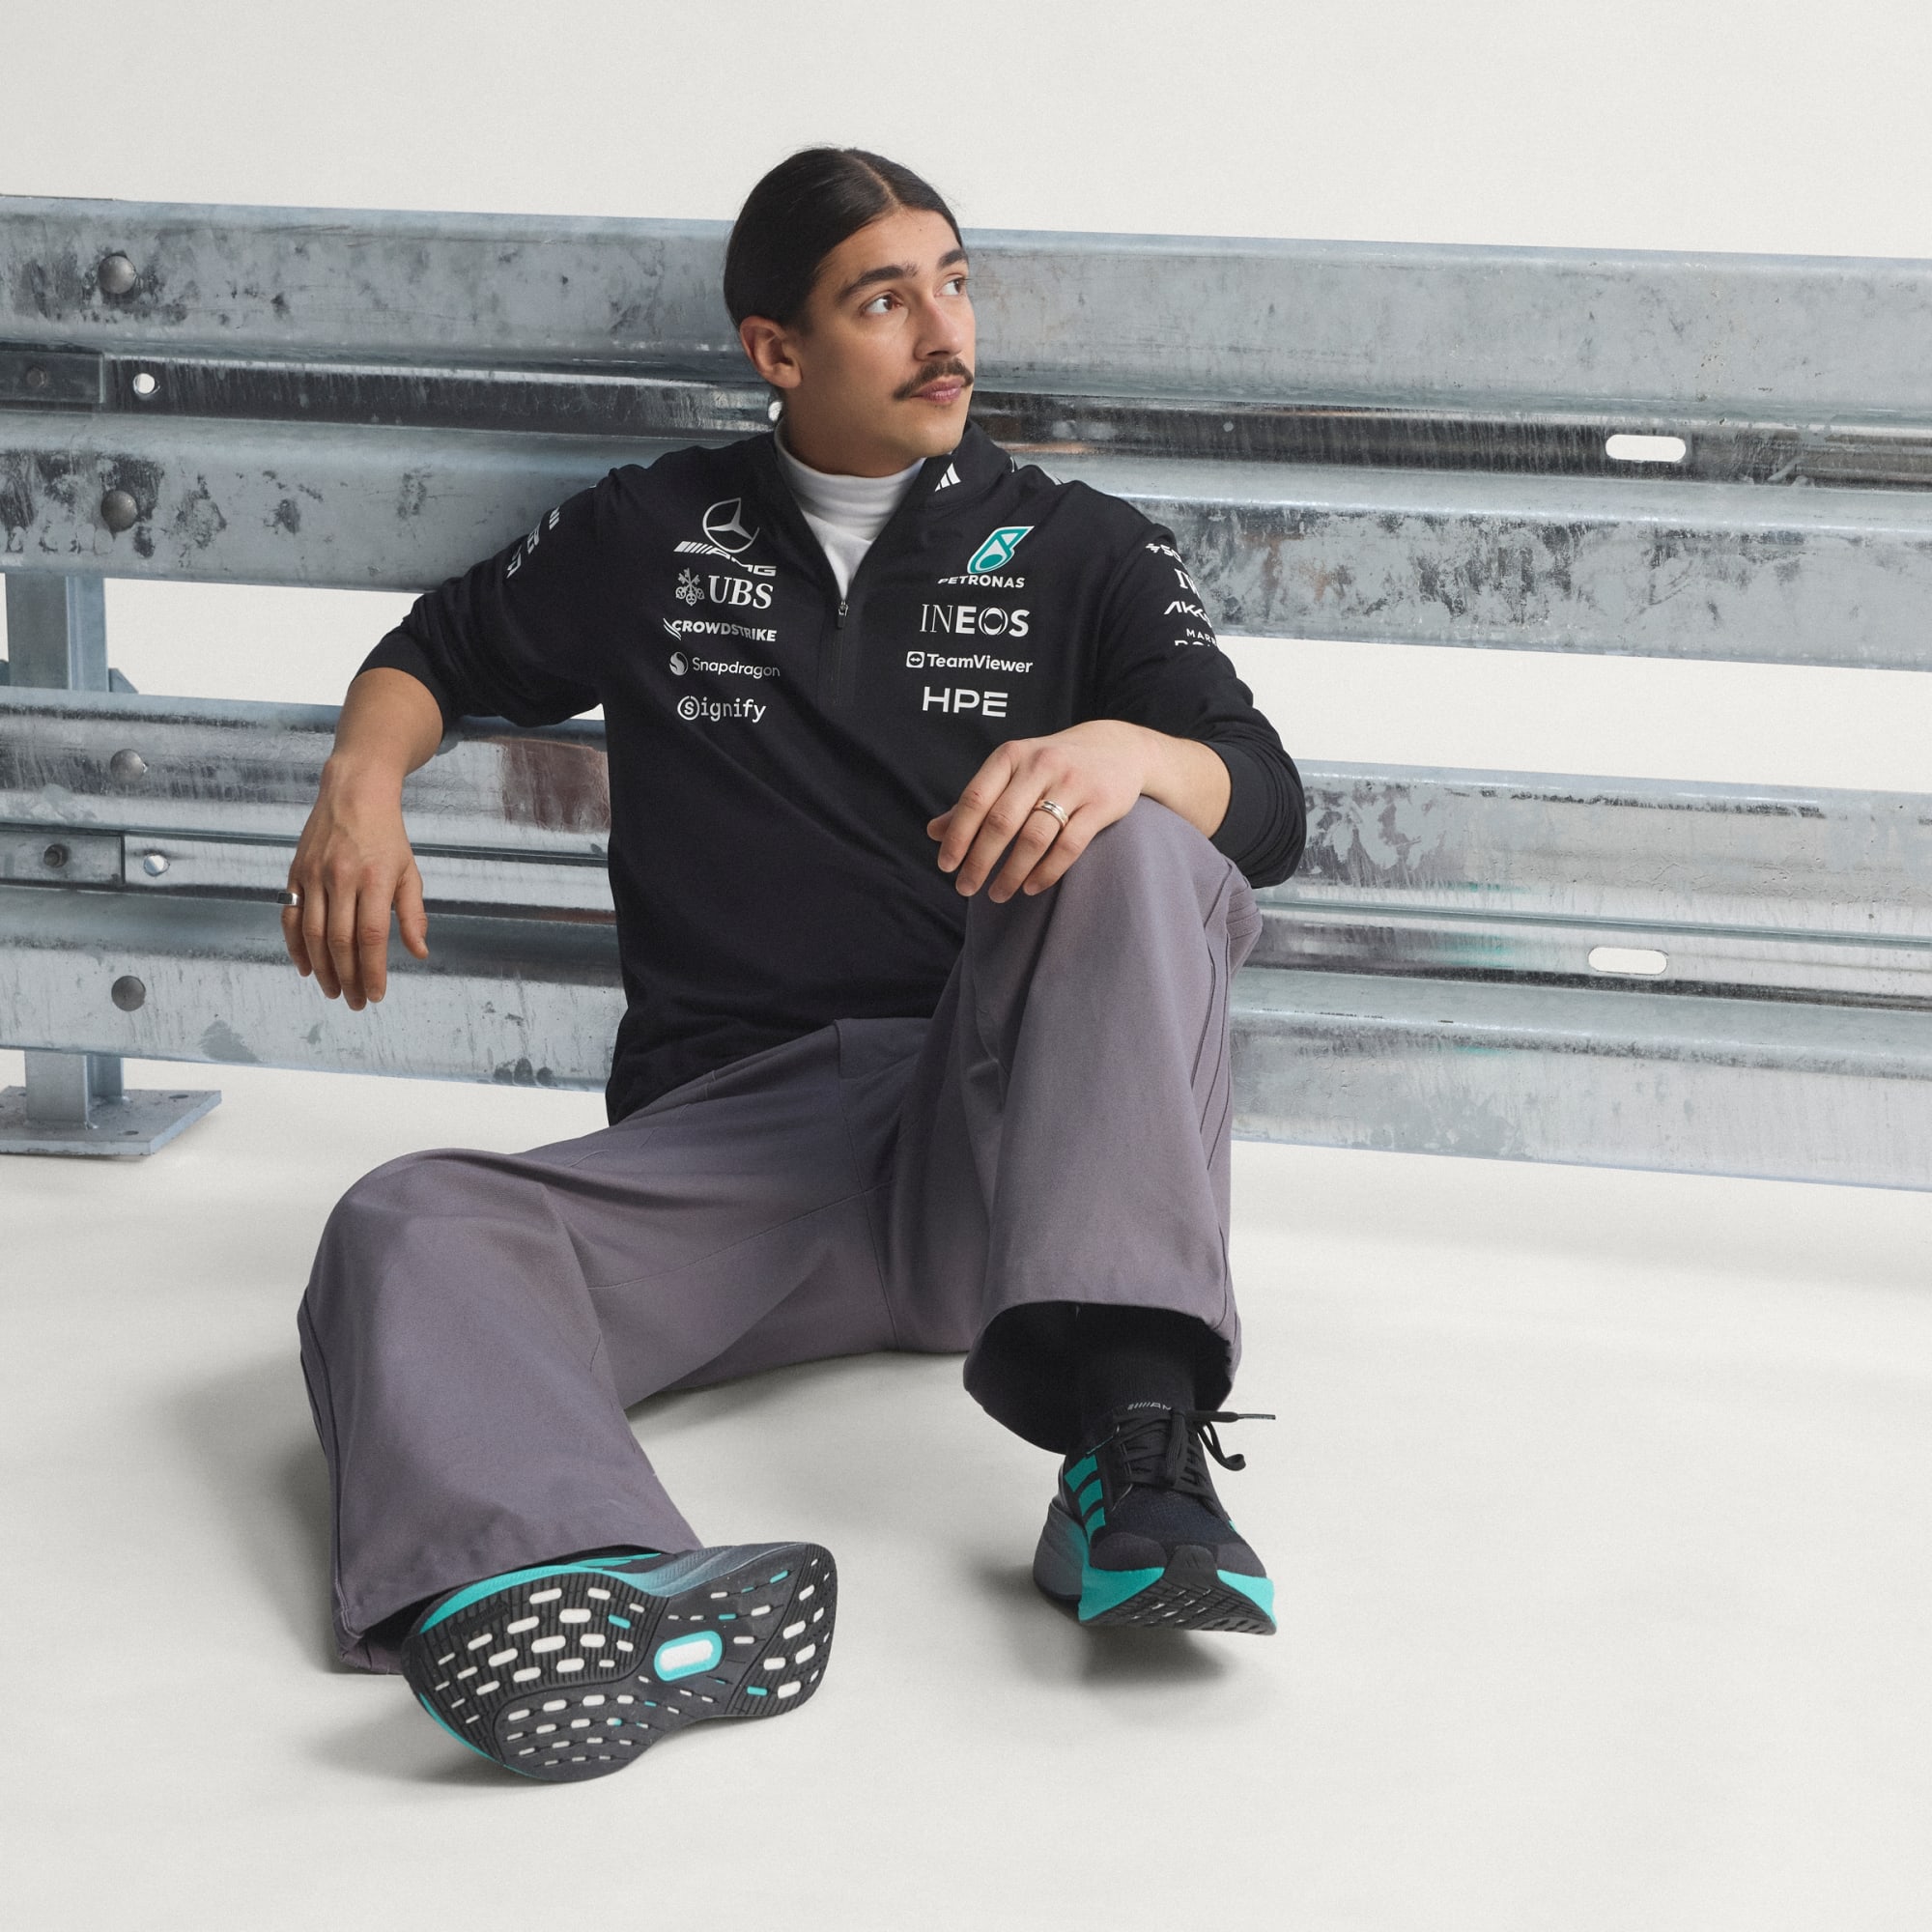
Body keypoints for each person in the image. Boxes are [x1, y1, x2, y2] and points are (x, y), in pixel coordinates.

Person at [287, 147, 1305, 1783]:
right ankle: (576, 1576)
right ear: (778, 350)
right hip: (738, 1152)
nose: (945, 333)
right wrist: (360, 783)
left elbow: (1266, 801)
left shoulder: (1084, 550)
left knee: (1139, 838)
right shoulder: (654, 531)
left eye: (954, 284)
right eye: (885, 300)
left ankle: (1135, 1446)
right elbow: (439, 650)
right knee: (408, 1221)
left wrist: (1131, 752)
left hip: (1000, 1139)